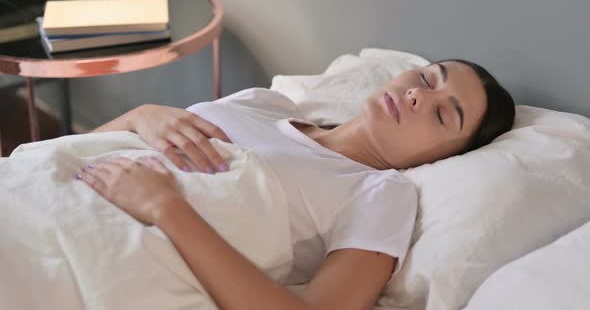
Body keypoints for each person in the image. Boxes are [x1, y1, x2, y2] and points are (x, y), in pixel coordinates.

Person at [77, 59, 515, 310]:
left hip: (105, 249)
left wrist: (165, 208)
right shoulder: (265, 103)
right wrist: (138, 116)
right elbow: (74, 153)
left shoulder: (379, 194)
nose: (419, 95)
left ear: (443, 158)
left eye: (442, 115)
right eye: (425, 78)